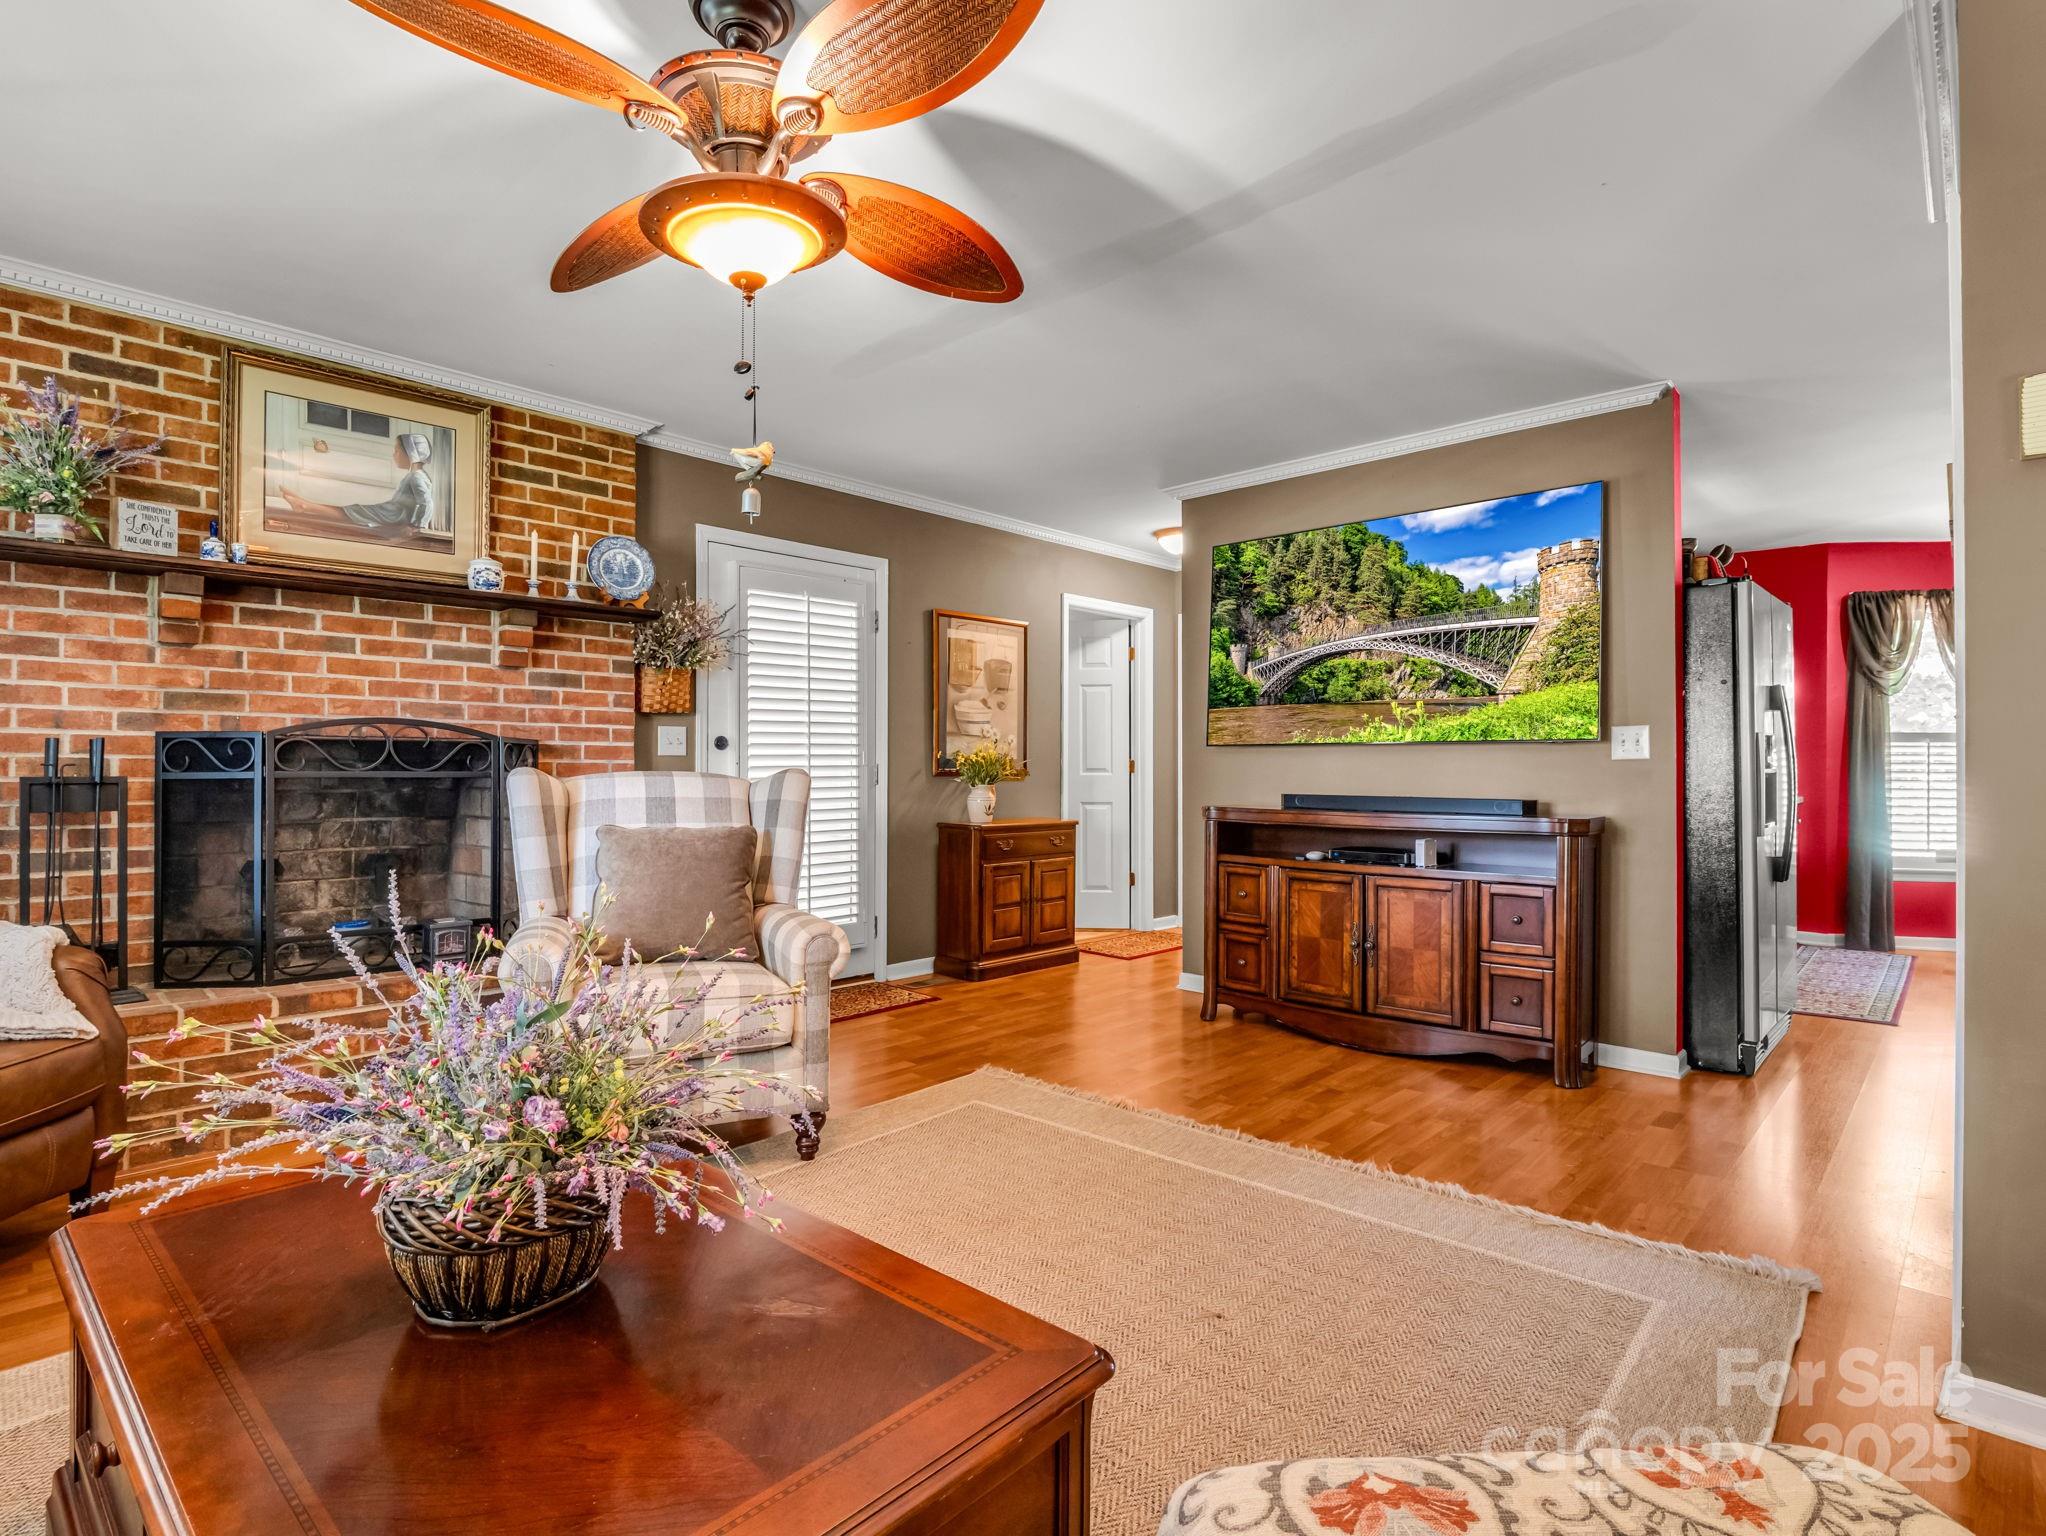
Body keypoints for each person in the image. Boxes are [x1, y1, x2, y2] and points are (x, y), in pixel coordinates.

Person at [278, 433, 439, 537]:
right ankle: (306, 504)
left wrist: (416, 525)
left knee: (354, 512)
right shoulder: (415, 476)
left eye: (397, 451)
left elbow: (426, 502)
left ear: (410, 454)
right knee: (354, 510)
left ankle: (305, 506)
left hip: (392, 514)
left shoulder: (416, 477)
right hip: (390, 511)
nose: (393, 455)